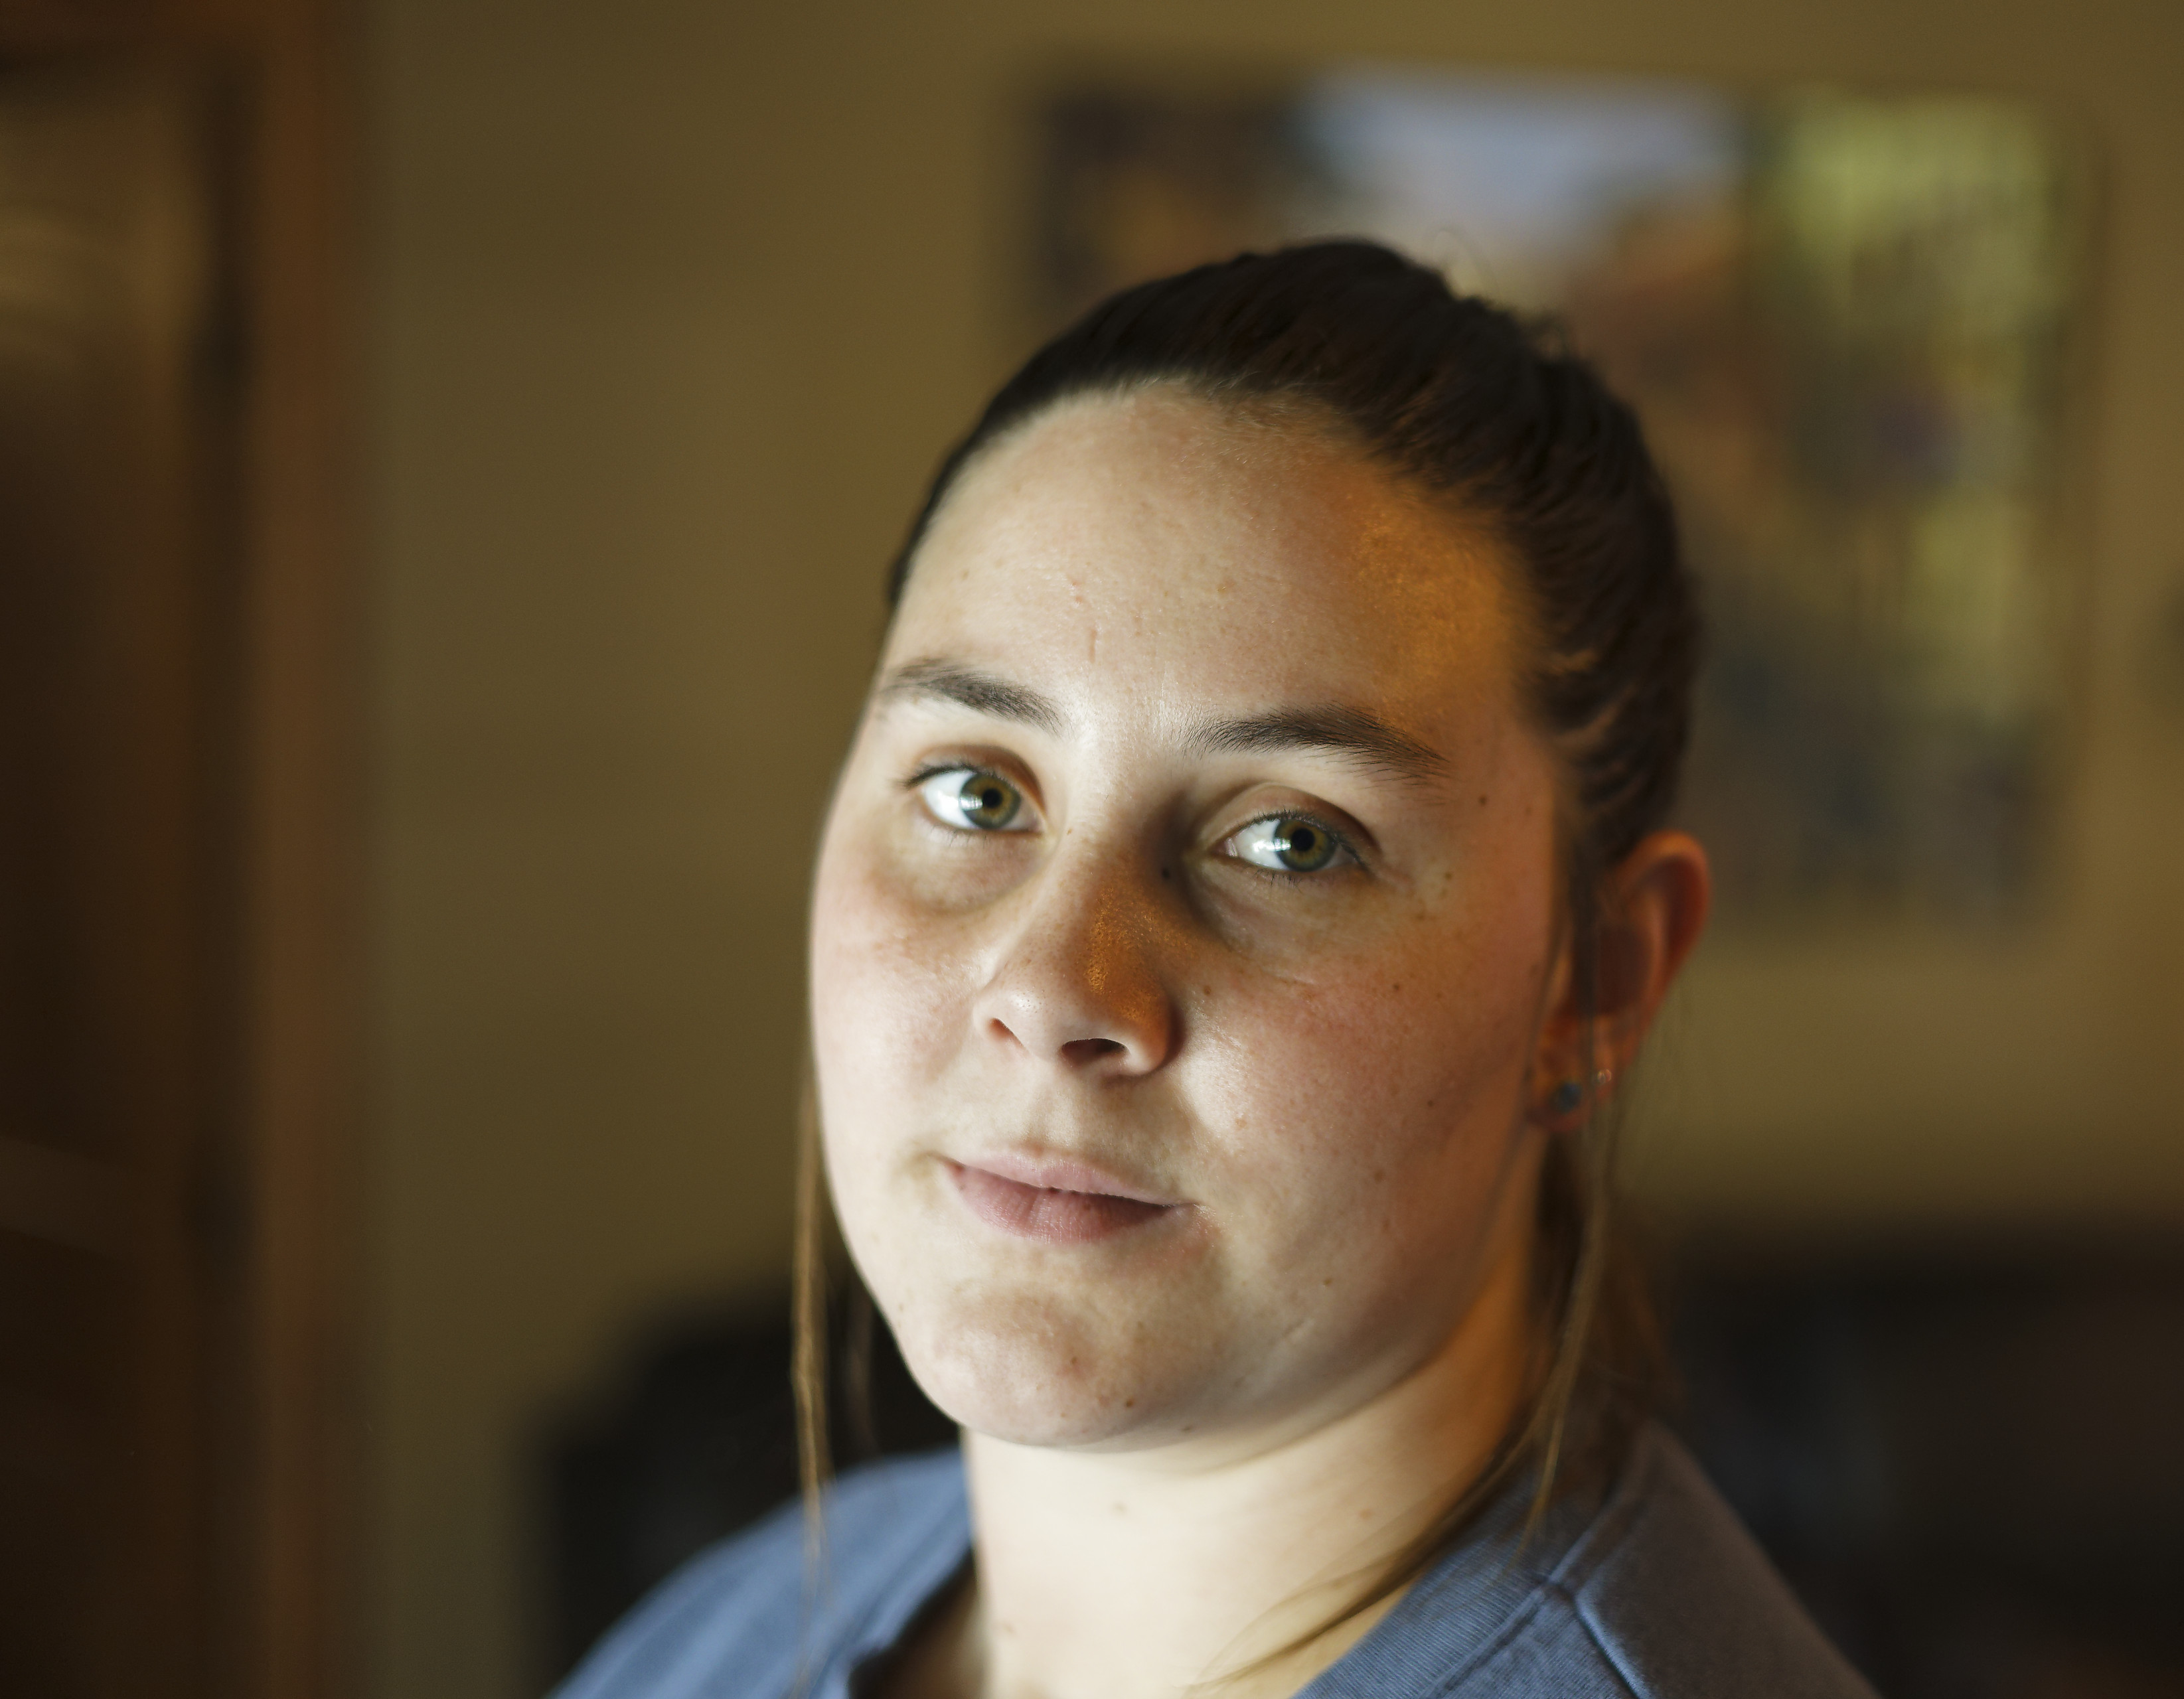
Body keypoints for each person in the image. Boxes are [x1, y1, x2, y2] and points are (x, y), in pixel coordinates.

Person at [556, 241, 1874, 1699]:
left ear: (1597, 983)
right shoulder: (723, 1635)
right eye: (979, 792)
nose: (1053, 988)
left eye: (1292, 840)